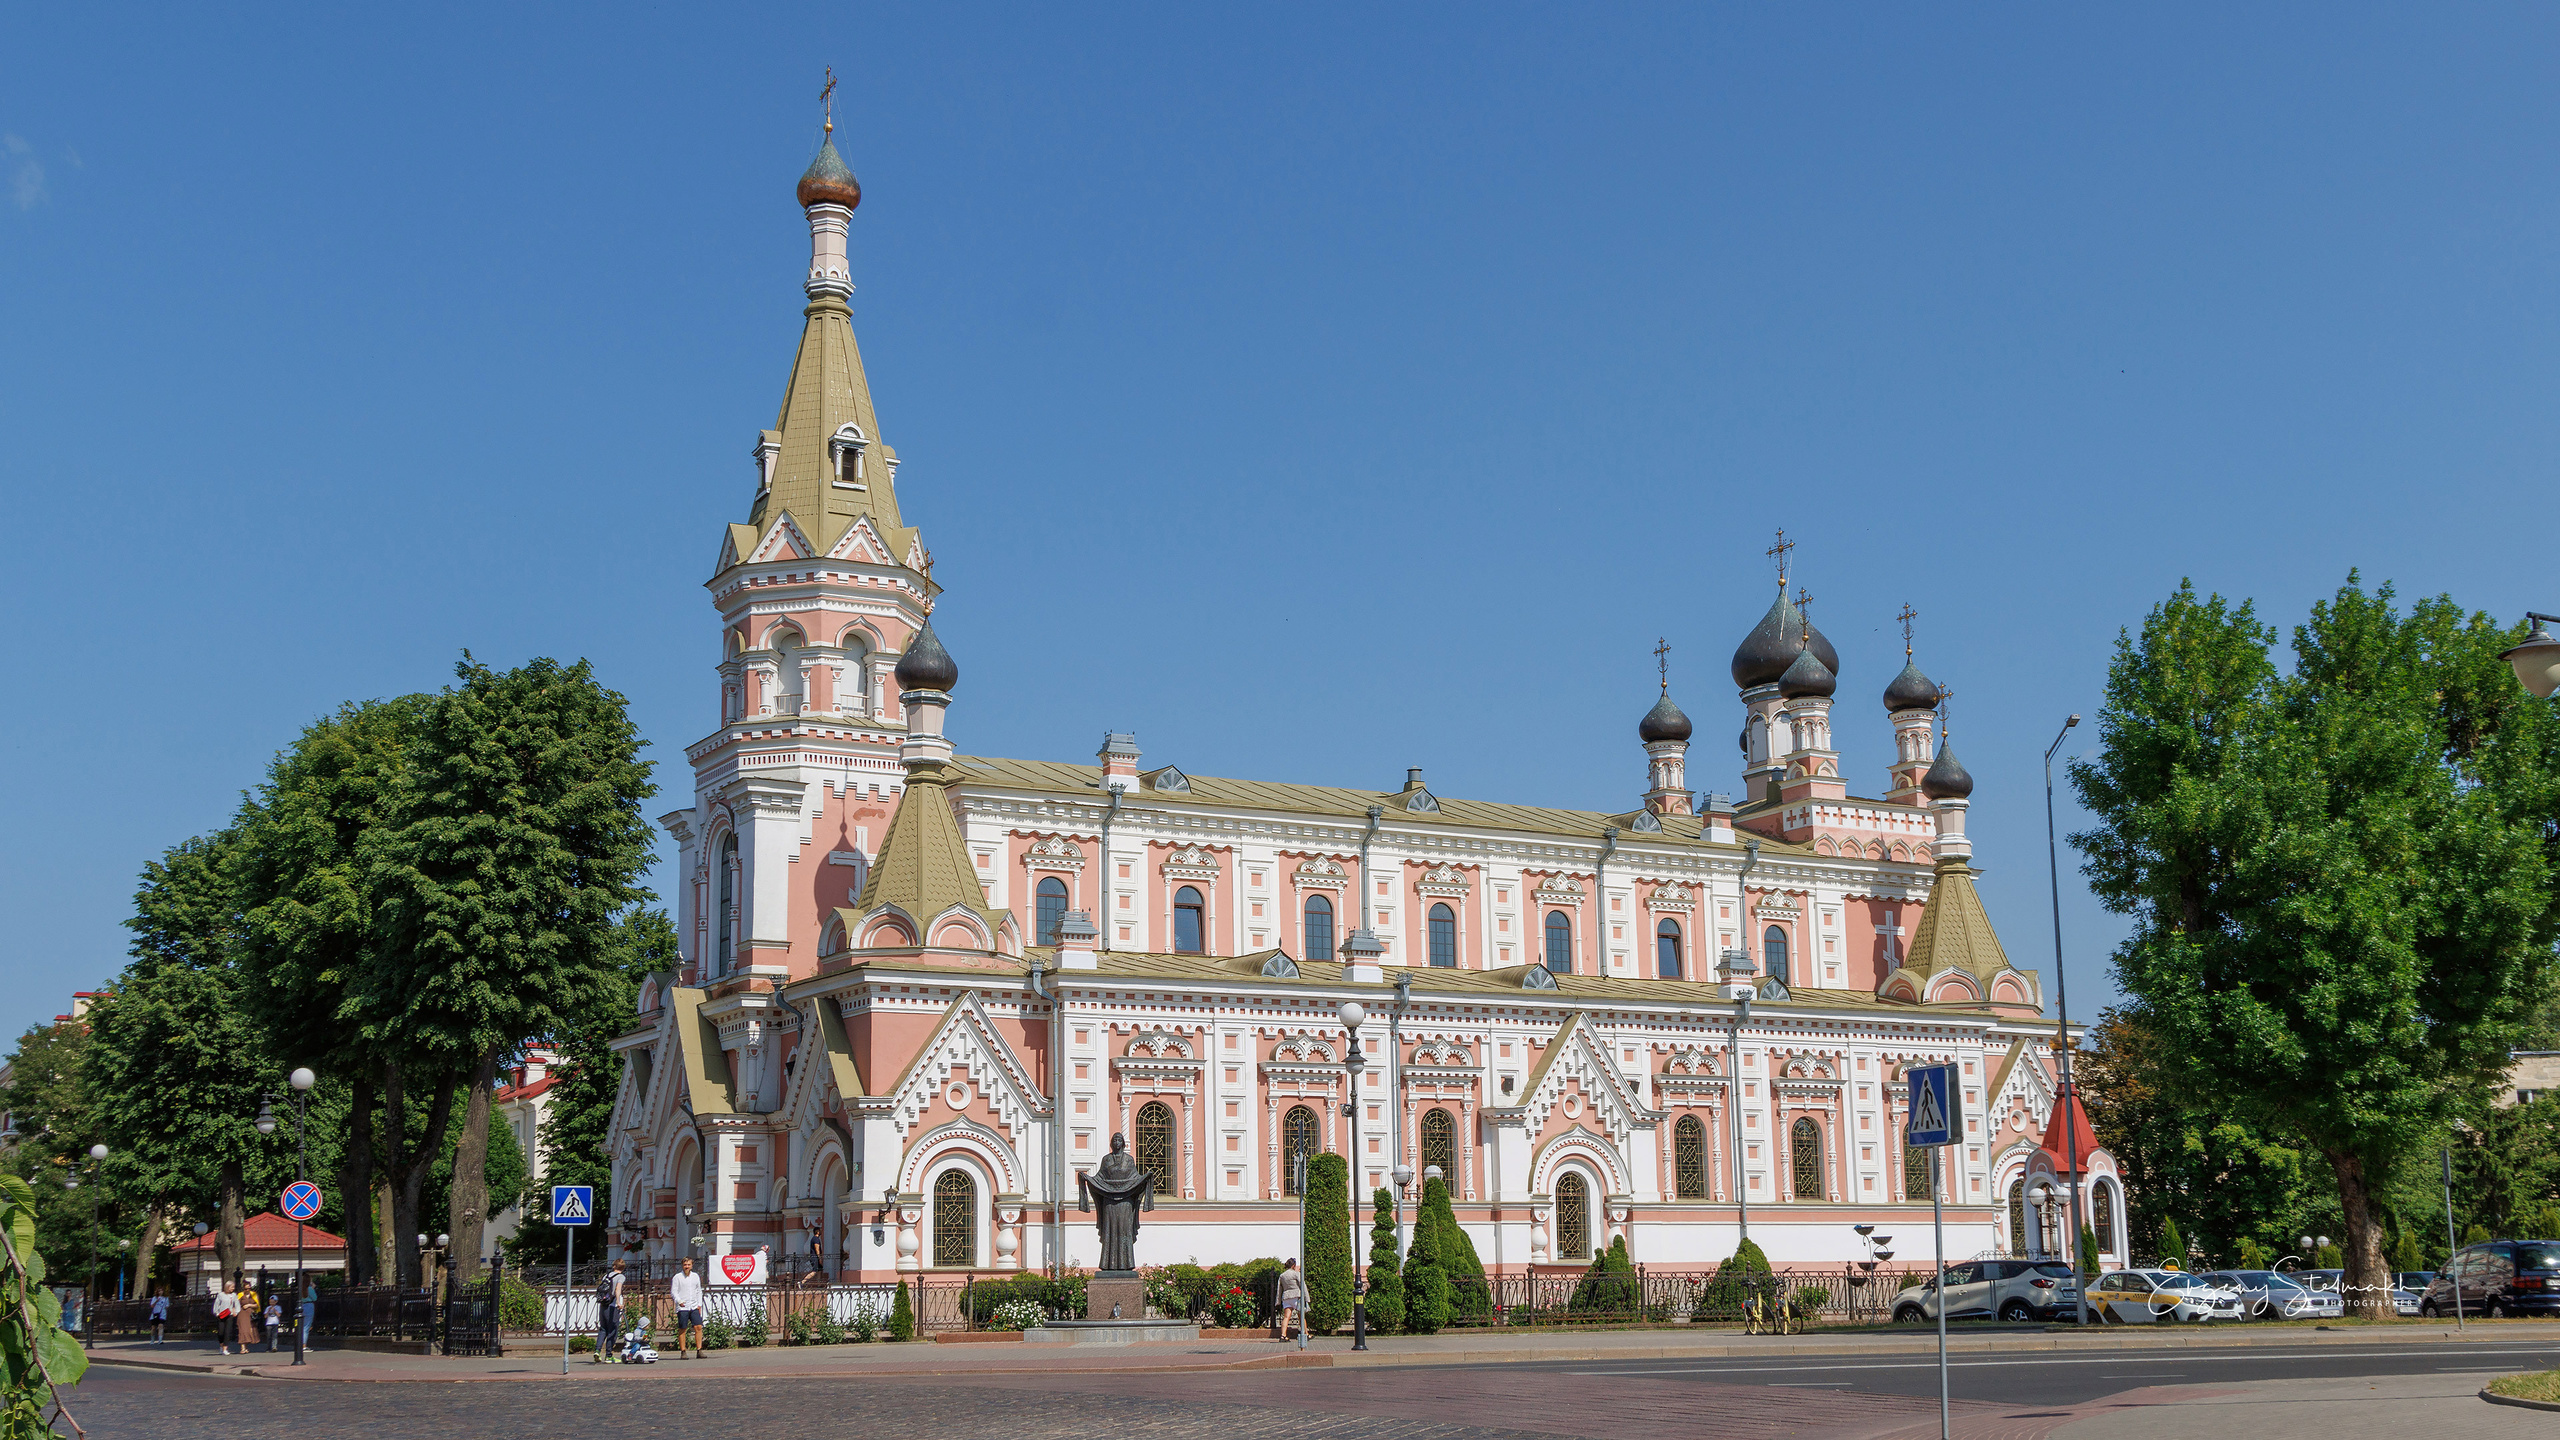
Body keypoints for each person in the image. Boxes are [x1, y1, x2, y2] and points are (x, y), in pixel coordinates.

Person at [668, 1257, 705, 1360]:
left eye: (688, 1265)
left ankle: (699, 1350)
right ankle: (683, 1351)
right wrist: (679, 1301)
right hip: (683, 1307)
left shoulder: (695, 1276)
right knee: (683, 1328)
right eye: (685, 1265)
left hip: (693, 1306)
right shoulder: (677, 1277)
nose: (687, 1267)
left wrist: (699, 1304)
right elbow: (674, 1291)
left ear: (692, 1265)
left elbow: (698, 1290)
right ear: (682, 1265)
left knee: (698, 1327)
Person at [594, 1259, 627, 1363]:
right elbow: (617, 1290)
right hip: (612, 1306)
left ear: (614, 1266)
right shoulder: (621, 1277)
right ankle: (609, 1355)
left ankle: (597, 1351)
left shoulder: (606, 1276)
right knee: (613, 1329)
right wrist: (618, 1302)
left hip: (603, 1304)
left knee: (603, 1329)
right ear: (623, 1267)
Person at [1276, 1258, 1310, 1349]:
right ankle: (1306, 1334)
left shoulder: (1282, 1275)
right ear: (1293, 1265)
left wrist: (1278, 1301)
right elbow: (1303, 1285)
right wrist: (1307, 1298)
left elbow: (1279, 1289)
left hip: (1286, 1297)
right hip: (1296, 1296)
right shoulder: (1296, 1274)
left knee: (1286, 1317)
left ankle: (1283, 1335)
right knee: (1301, 1316)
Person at [212, 1280, 241, 1357]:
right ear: (227, 1287)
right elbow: (216, 1304)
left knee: (227, 1332)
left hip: (230, 1315)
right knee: (221, 1332)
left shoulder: (234, 1295)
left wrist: (236, 1312)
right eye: (232, 1287)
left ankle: (225, 1348)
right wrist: (217, 1313)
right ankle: (221, 1345)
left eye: (233, 1287)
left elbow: (237, 1304)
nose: (233, 1289)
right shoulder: (221, 1295)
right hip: (221, 1315)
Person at [299, 1280, 318, 1354]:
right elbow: (315, 1298)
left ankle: (300, 1344)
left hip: (302, 1305)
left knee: (302, 1326)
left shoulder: (300, 1288)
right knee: (306, 1327)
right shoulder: (309, 1289)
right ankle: (304, 1346)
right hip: (309, 1305)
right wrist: (312, 1288)